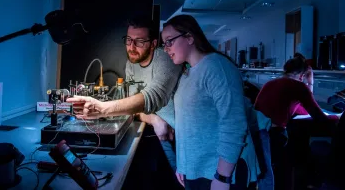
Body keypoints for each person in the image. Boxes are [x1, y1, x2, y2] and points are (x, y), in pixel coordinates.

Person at [68, 16, 183, 189]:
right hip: (159, 131)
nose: (131, 47)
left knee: (183, 182)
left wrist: (101, 108)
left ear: (153, 44)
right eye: (129, 40)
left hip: (179, 136)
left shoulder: (165, 58)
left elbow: (154, 96)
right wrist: (154, 119)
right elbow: (133, 107)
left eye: (139, 41)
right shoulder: (131, 64)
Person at [161, 14, 260, 190]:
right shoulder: (187, 73)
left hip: (220, 173)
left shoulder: (217, 67)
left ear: (189, 37)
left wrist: (223, 177)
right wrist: (184, 165)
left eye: (169, 41)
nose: (166, 48)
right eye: (164, 43)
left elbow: (234, 124)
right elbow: (187, 124)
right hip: (197, 170)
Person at [254, 55, 339, 190]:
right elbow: (318, 117)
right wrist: (340, 116)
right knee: (296, 162)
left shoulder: (271, 83)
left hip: (257, 133)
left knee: (267, 174)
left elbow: (302, 110)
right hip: (274, 135)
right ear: (302, 75)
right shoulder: (298, 86)